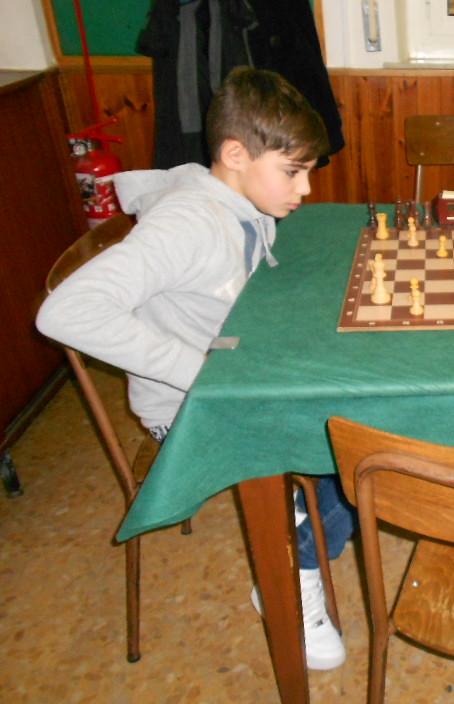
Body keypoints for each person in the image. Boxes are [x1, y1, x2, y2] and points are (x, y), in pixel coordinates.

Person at [36, 67, 353, 671]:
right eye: (293, 171)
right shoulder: (188, 224)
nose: (305, 190)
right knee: (356, 447)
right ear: (235, 153)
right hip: (190, 409)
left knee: (355, 398)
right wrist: (203, 374)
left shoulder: (232, 199)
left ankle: (308, 528)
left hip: (235, 371)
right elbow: (67, 311)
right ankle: (292, 575)